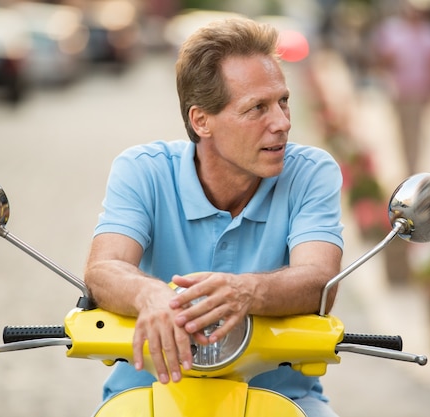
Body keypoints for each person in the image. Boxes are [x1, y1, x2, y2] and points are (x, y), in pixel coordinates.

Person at [84, 17, 345, 417]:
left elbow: (319, 280)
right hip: (147, 393)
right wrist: (150, 295)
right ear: (201, 120)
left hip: (285, 398)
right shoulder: (142, 169)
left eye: (283, 101)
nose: (282, 122)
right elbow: (104, 268)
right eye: (257, 108)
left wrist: (245, 291)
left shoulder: (312, 171)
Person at [371, 0, 430, 175]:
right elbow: (382, 59)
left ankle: (414, 168)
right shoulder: (393, 30)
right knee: (404, 131)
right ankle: (409, 167)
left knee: (418, 131)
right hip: (400, 90)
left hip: (422, 90)